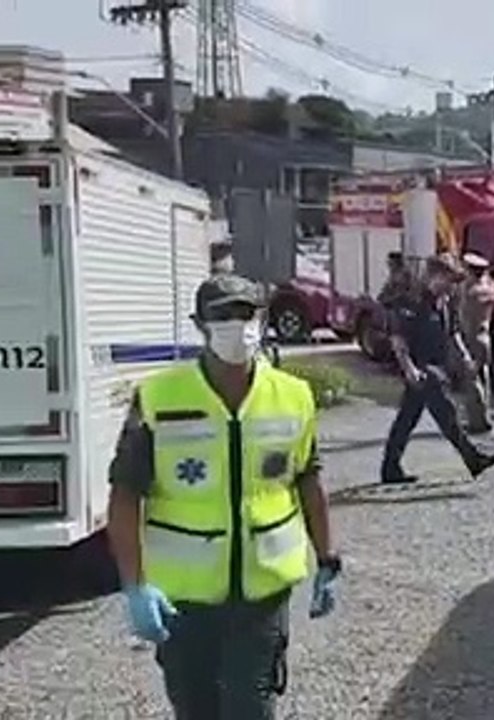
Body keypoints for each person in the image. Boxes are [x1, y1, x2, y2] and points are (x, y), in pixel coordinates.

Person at [106, 274, 340, 720]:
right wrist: (135, 586)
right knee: (196, 710)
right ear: (200, 324)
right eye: (223, 315)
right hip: (184, 599)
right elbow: (124, 494)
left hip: (263, 593)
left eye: (245, 314)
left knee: (250, 709)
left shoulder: (292, 396)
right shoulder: (158, 398)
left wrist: (328, 558)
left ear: (262, 319)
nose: (236, 325)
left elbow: (308, 479)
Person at [381, 254, 494, 485]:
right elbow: (398, 340)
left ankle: (390, 468)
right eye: (449, 279)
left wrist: (465, 358)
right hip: (421, 369)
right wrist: (410, 370)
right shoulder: (412, 301)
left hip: (437, 365)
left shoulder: (445, 302)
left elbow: (453, 333)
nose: (452, 286)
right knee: (446, 414)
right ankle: (472, 458)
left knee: (407, 419)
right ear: (434, 276)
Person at [457, 252, 494, 434]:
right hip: (485, 335)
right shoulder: (489, 287)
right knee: (484, 376)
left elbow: (462, 316)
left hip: (471, 335)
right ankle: (486, 416)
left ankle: (477, 421)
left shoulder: (469, 291)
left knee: (471, 379)